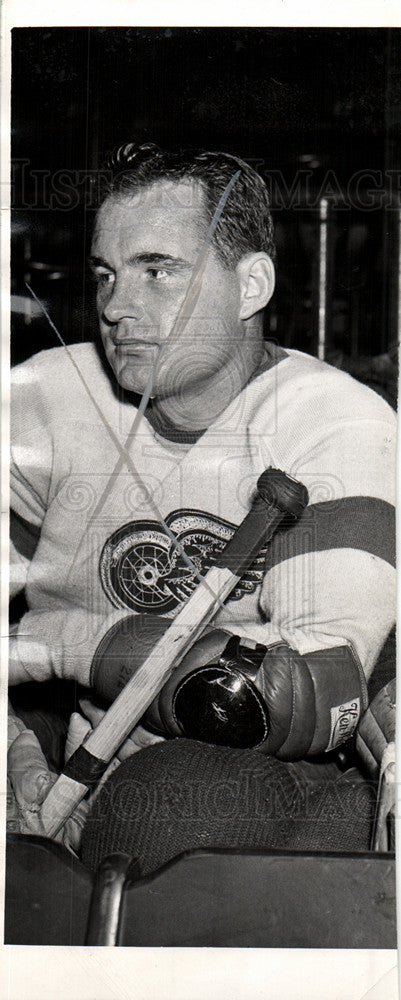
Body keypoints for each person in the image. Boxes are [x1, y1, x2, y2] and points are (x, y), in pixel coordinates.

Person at [8, 144, 396, 845]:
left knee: (175, 803)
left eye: (158, 272)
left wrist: (58, 643)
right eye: (105, 274)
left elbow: (307, 692)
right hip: (68, 753)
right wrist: (15, 751)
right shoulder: (40, 398)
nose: (117, 307)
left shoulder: (332, 419)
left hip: (251, 773)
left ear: (250, 285)